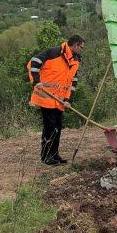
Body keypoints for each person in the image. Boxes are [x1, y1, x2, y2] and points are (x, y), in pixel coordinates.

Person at [27, 34, 85, 165]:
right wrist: (36, 81)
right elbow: (33, 63)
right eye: (81, 47)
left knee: (58, 127)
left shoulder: (76, 60)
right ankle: (46, 157)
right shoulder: (53, 52)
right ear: (75, 45)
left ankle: (54, 154)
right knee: (50, 127)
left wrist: (68, 100)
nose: (82, 49)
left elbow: (73, 81)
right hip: (46, 97)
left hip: (59, 101)